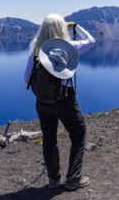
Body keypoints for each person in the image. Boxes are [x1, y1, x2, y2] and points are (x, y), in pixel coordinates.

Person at [24, 13, 95, 191]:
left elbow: (26, 79)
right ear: (61, 29)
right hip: (65, 101)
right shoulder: (69, 47)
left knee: (49, 139)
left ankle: (53, 179)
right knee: (78, 136)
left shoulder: (35, 50)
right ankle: (73, 180)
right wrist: (75, 27)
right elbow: (91, 41)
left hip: (42, 102)